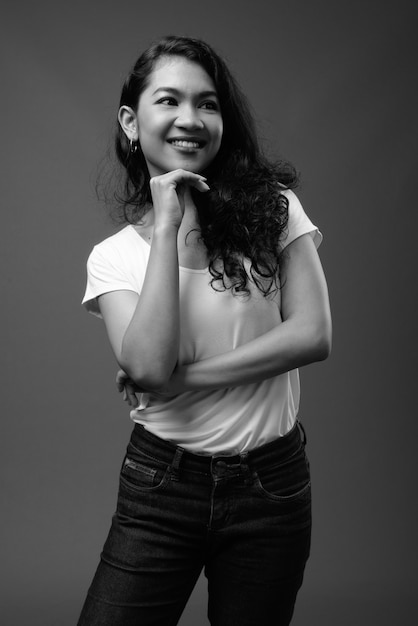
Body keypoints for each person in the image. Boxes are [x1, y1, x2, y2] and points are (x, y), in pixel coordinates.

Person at [78, 35, 332, 626]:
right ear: (131, 122)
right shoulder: (113, 257)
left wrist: (183, 381)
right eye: (169, 100)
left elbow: (313, 334)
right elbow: (145, 368)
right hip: (161, 486)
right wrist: (166, 225)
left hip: (272, 486)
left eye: (208, 103)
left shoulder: (275, 210)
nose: (190, 119)